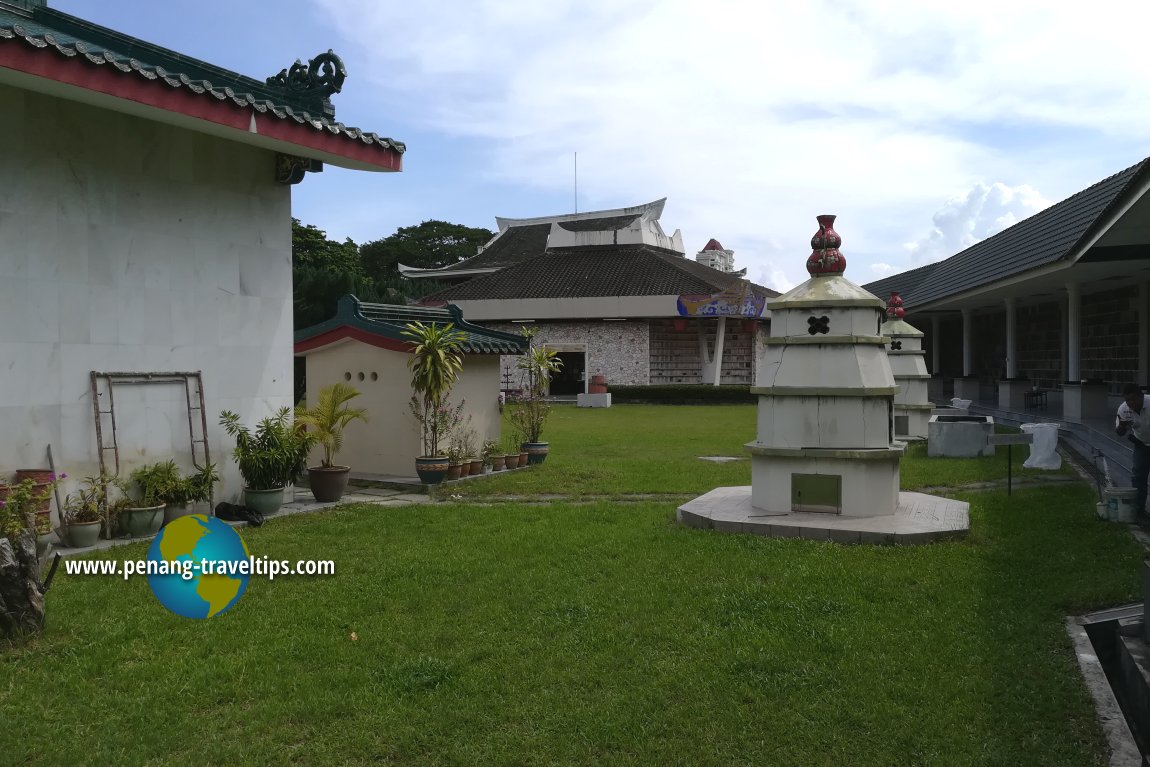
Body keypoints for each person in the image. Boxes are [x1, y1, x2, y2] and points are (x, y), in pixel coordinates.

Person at [1115, 383, 1150, 524]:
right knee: (1138, 476)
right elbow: (1119, 432)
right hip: (1142, 444)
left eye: (1134, 399)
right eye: (1128, 400)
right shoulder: (1123, 409)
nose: (1131, 403)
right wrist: (1122, 426)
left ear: (1141, 397)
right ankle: (1139, 510)